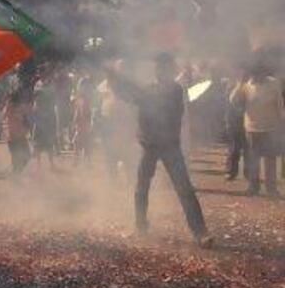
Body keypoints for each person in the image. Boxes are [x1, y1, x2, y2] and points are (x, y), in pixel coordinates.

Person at [106, 53, 212, 247]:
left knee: (184, 190)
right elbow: (128, 95)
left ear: (170, 70)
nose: (160, 71)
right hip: (150, 145)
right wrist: (112, 77)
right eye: (159, 67)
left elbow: (136, 96)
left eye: (163, 67)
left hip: (169, 145)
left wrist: (115, 78)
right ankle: (141, 228)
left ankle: (200, 232)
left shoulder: (174, 90)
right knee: (141, 189)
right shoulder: (150, 89)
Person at [230, 63, 283, 197]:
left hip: (271, 128)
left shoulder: (274, 84)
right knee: (253, 159)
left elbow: (280, 105)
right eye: (254, 75)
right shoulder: (247, 85)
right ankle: (253, 187)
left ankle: (271, 188)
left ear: (264, 73)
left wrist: (281, 124)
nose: (256, 77)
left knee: (270, 160)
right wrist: (239, 83)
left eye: (259, 74)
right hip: (252, 128)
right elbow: (233, 100)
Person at [3, 89, 32, 175]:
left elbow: (1, 117)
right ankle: (16, 175)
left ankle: (16, 174)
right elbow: (28, 120)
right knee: (25, 156)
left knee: (17, 159)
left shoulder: (9, 107)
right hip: (18, 137)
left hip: (12, 137)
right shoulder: (19, 108)